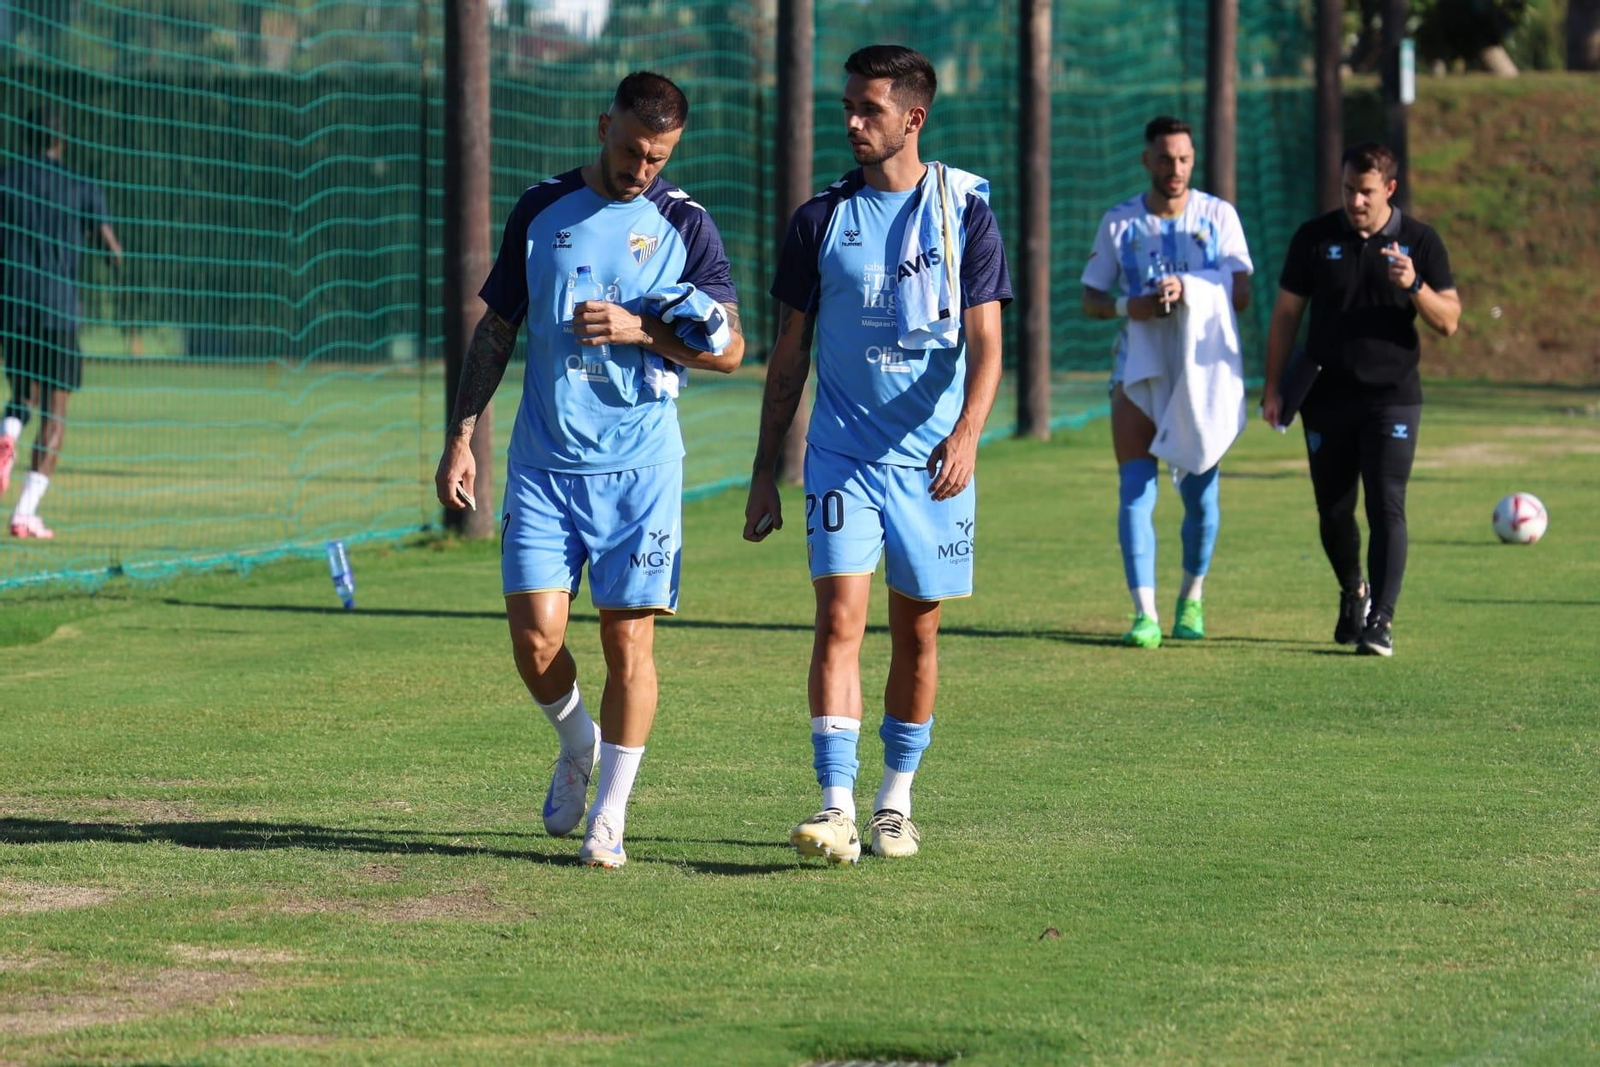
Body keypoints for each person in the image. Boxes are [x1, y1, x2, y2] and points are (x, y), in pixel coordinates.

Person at [433, 72, 744, 868]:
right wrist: (461, 435)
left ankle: (610, 815)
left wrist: (641, 330)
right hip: (544, 464)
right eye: (633, 150)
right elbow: (497, 329)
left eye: (658, 157)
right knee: (535, 639)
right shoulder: (541, 209)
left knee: (626, 640)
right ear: (605, 125)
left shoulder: (685, 223)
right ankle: (579, 742)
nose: (642, 168)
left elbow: (731, 351)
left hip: (641, 470)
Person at [744, 45, 1010, 864]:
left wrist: (967, 434)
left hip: (932, 465)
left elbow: (988, 344)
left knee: (917, 635)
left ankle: (896, 802)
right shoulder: (819, 220)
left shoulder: (965, 213)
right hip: (841, 458)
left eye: (871, 109)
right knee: (838, 620)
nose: (854, 122)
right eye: (849, 107)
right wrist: (764, 470)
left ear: (913, 118)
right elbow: (789, 355)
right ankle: (836, 806)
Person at [1262, 142, 1460, 658]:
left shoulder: (1420, 241)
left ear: (1389, 189)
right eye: (1348, 189)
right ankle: (1354, 590)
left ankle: (1381, 621)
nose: (1355, 201)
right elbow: (1286, 316)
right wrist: (1273, 387)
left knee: (1386, 502)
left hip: (1393, 399)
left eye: (1366, 192)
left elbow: (1449, 320)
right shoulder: (1314, 238)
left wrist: (1415, 284)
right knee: (1333, 511)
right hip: (1324, 396)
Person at [1080, 116, 1255, 648]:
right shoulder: (1120, 222)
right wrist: (1128, 306)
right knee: (1136, 490)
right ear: (1146, 161)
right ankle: (1145, 613)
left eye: (1183, 159)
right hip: (1137, 367)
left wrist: (1190, 287)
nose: (1174, 169)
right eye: (1164, 158)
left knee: (1200, 496)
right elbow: (1091, 299)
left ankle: (1191, 599)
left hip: (1199, 375)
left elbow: (1242, 293)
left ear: (1193, 160)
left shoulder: (1218, 216)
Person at [0, 107, 123, 537]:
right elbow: (112, 250)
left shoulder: (5, 181)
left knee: (23, 394)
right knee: (56, 408)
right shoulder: (81, 186)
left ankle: (7, 436)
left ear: (24, 136)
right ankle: (24, 513)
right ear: (61, 140)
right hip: (58, 309)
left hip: (14, 306)